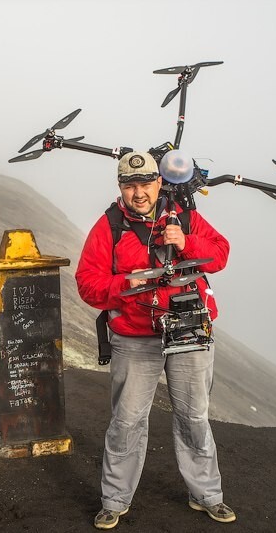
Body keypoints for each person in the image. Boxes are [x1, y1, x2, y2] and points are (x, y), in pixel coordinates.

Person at [75, 151, 235, 529]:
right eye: (130, 186)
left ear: (160, 182)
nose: (139, 192)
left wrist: (187, 244)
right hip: (135, 338)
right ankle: (114, 500)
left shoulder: (187, 218)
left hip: (189, 332)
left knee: (194, 418)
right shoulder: (109, 226)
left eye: (145, 183)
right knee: (127, 421)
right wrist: (123, 285)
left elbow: (221, 254)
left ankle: (207, 495)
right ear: (120, 188)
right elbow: (87, 282)